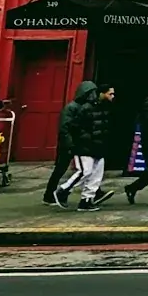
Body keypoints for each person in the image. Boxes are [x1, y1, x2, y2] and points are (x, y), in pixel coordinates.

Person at [56, 81, 114, 211]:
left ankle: (86, 200)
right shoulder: (86, 108)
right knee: (85, 172)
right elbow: (74, 126)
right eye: (110, 94)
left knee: (96, 175)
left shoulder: (105, 107)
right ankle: (63, 190)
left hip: (99, 145)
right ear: (102, 94)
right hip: (85, 146)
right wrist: (76, 142)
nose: (113, 96)